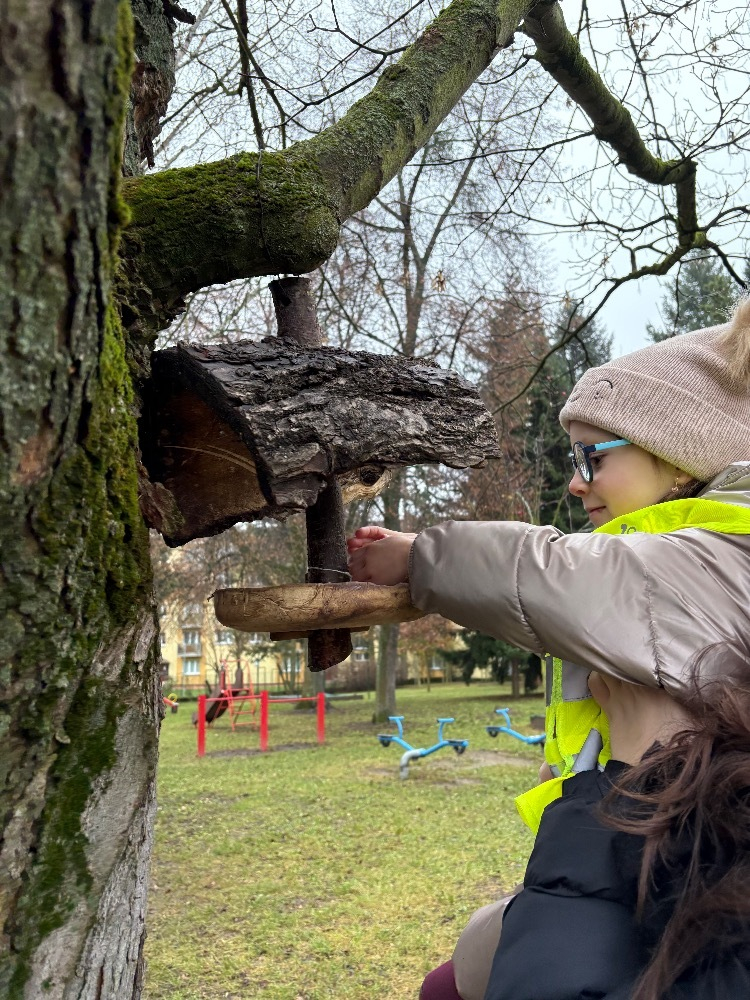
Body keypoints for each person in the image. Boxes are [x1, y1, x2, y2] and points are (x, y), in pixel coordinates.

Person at [347, 307, 750, 1000]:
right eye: (572, 459)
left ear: (680, 457)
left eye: (595, 456)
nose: (575, 481)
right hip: (650, 858)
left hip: (685, 879)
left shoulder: (724, 549)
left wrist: (421, 558)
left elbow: (560, 577)